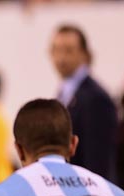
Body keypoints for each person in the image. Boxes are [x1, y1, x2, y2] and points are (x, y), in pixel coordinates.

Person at [50, 24, 118, 180]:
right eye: (56, 50)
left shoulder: (96, 98)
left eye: (68, 50)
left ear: (84, 54)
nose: (61, 58)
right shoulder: (65, 92)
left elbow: (98, 162)